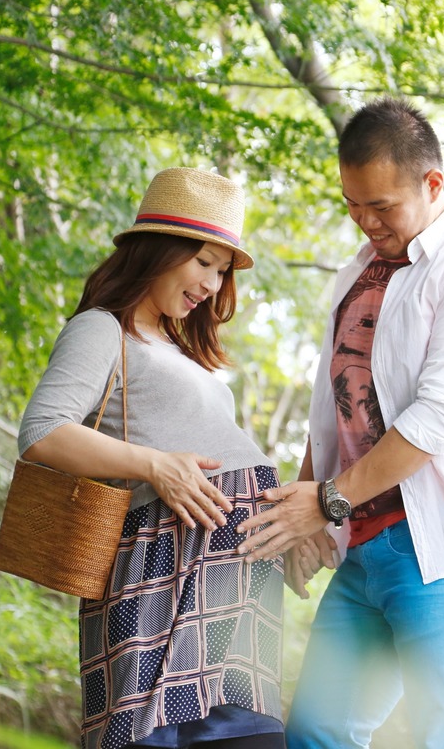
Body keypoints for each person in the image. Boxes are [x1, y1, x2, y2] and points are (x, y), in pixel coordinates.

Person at [235, 97, 444, 748]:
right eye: (353, 204)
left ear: (433, 184)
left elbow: (441, 414)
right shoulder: (358, 272)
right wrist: (306, 510)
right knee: (315, 733)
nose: (366, 220)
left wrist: (325, 500)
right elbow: (336, 407)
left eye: (381, 206)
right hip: (364, 542)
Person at [19, 168, 314, 749]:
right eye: (203, 262)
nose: (211, 283)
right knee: (148, 735)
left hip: (233, 580)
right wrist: (155, 465)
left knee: (250, 738)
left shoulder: (183, 351)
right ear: (159, 248)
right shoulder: (102, 330)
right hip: (160, 566)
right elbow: (41, 432)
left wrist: (284, 527)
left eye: (221, 270)